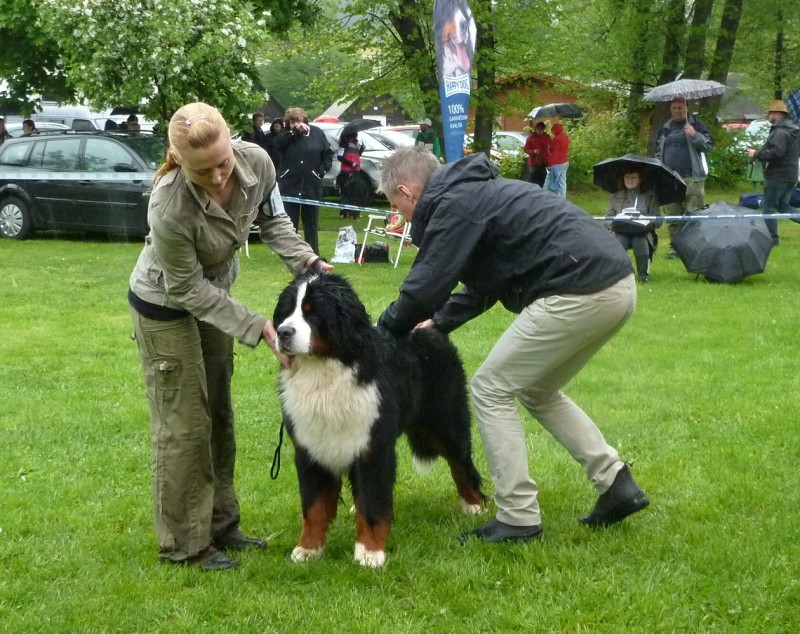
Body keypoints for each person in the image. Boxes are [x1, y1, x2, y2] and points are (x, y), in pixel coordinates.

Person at [376, 146, 649, 544]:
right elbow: (487, 282)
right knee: (537, 390)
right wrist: (439, 323)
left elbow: (426, 284)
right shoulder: (472, 194)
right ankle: (615, 482)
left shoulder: (455, 202)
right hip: (615, 285)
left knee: (491, 388)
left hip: (578, 288)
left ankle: (518, 516)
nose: (400, 216)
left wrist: (382, 331)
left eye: (395, 206)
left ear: (406, 191)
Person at [128, 102, 332, 571]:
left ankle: (222, 526)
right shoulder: (168, 204)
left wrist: (308, 262)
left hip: (212, 298)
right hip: (164, 307)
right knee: (184, 426)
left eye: (223, 163)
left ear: (232, 144)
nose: (219, 177)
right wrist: (254, 325)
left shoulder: (258, 162)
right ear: (179, 161)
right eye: (203, 171)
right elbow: (183, 287)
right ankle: (185, 546)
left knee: (219, 413)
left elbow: (274, 220)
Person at [655, 96, 714, 257]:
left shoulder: (696, 124)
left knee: (693, 215)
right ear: (670, 109)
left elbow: (708, 145)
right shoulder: (665, 128)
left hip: (693, 178)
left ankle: (693, 248)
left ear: (687, 108)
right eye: (674, 108)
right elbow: (658, 152)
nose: (677, 111)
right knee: (673, 218)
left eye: (680, 108)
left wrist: (694, 134)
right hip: (670, 179)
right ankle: (675, 249)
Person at [275, 107, 334, 256]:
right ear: (288, 123)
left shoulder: (317, 133)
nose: (298, 124)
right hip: (289, 185)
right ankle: (291, 253)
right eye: (293, 122)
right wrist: (293, 132)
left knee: (311, 223)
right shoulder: (285, 135)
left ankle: (313, 253)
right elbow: (278, 145)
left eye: (300, 121)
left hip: (311, 185)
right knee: (289, 223)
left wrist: (320, 172)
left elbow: (328, 154)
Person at [746, 100, 800, 246]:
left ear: (777, 114)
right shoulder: (792, 130)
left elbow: (777, 153)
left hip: (777, 176)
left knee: (768, 207)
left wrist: (756, 154)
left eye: (770, 113)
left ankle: (772, 239)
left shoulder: (781, 132)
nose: (768, 115)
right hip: (790, 175)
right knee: (783, 206)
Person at [606, 168, 663, 284]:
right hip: (621, 231)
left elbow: (658, 221)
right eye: (627, 177)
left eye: (633, 178)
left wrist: (644, 221)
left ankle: (643, 276)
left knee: (640, 240)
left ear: (640, 179)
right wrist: (618, 221)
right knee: (621, 240)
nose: (630, 181)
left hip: (643, 232)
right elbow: (607, 219)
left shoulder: (650, 196)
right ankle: (617, 275)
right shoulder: (615, 197)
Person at [335, 131, 369, 219]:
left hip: (356, 171)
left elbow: (357, 155)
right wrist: (350, 164)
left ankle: (354, 212)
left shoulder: (355, 144)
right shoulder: (343, 144)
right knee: (346, 192)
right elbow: (340, 157)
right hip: (346, 172)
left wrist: (362, 149)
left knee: (356, 193)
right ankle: (344, 211)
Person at [542, 122, 569, 197]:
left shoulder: (556, 139)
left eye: (553, 130)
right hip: (565, 161)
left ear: (555, 130)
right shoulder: (565, 137)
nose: (552, 132)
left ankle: (543, 196)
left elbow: (555, 152)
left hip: (557, 163)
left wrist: (550, 164)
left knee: (548, 180)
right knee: (562, 181)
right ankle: (562, 198)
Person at [523, 121, 550, 187]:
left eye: (541, 130)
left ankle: (540, 192)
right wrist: (533, 151)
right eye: (538, 129)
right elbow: (526, 149)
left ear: (543, 129)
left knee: (542, 178)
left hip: (543, 162)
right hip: (534, 162)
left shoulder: (547, 137)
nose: (539, 131)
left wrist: (549, 161)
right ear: (535, 129)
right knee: (533, 179)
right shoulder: (531, 137)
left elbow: (550, 148)